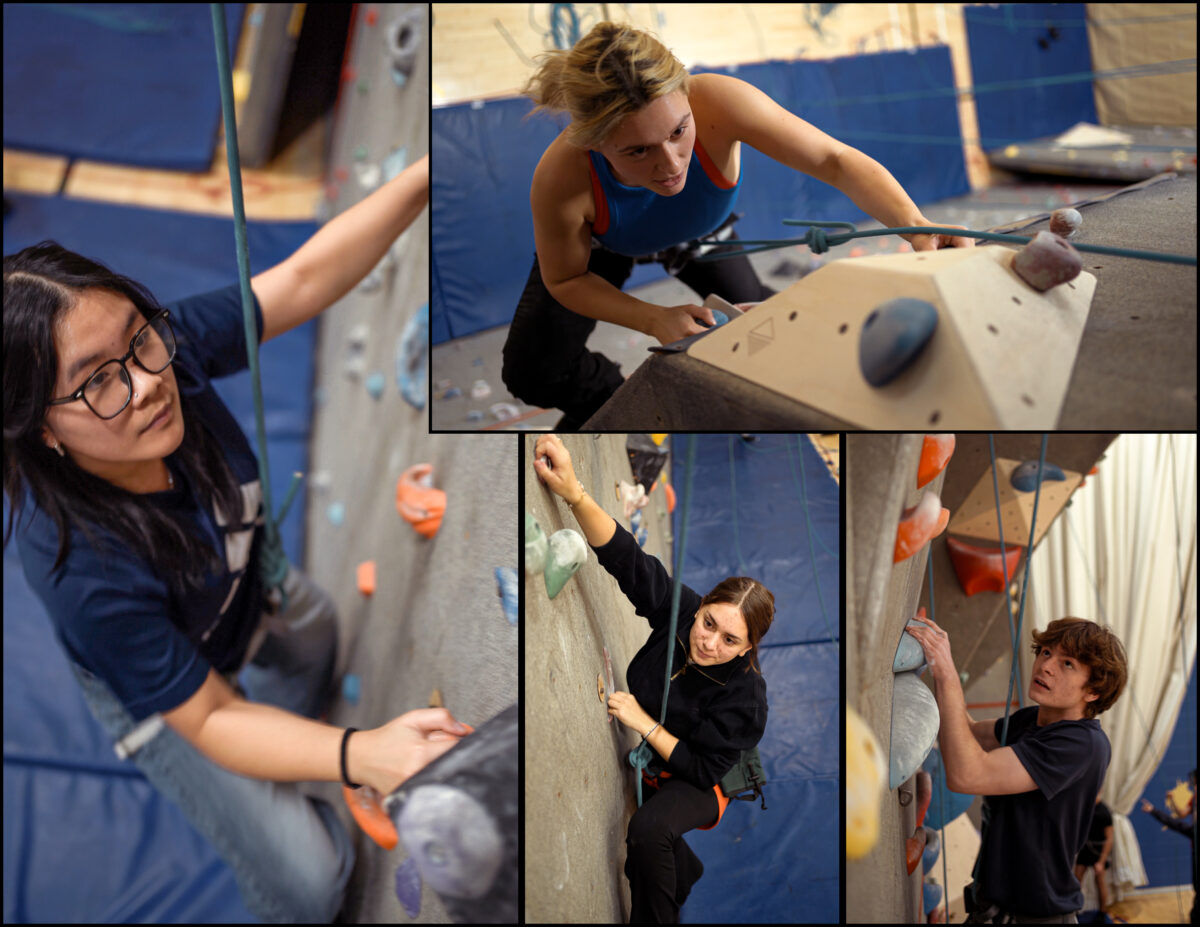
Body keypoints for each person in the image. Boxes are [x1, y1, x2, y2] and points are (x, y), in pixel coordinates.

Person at [2, 157, 469, 922]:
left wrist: (424, 176)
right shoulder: (79, 570)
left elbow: (306, 279)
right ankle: (279, 776)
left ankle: (284, 744)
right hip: (175, 693)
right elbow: (211, 716)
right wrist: (361, 753)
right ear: (42, 429)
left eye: (139, 336)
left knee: (316, 645)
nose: (147, 383)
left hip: (237, 580)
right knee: (312, 885)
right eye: (97, 382)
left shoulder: (162, 356)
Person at [503, 21, 974, 429]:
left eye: (678, 132)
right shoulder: (560, 176)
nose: (670, 167)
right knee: (530, 373)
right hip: (606, 247)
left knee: (763, 334)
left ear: (688, 98)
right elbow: (564, 277)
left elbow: (833, 160)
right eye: (637, 151)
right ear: (594, 146)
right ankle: (615, 401)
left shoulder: (720, 100)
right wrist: (653, 318)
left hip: (701, 232)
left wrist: (912, 223)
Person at [533, 433, 774, 923]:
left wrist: (643, 723)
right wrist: (573, 491)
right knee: (655, 846)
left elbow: (703, 771)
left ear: (748, 648)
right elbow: (629, 561)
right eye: (710, 623)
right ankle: (683, 871)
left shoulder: (747, 701)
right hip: (660, 762)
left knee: (647, 830)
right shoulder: (682, 614)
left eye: (730, 641)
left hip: (704, 783)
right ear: (701, 606)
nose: (709, 643)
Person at [907, 615, 1128, 924]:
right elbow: (966, 733)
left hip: (1035, 917)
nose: (1046, 665)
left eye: (1067, 664)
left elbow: (967, 775)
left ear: (1093, 691)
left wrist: (945, 672)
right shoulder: (1033, 719)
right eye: (1046, 652)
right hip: (992, 907)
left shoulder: (1082, 745)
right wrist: (931, 649)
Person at [1139, 768, 1197, 924]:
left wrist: (1153, 811)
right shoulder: (1194, 798)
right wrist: (1171, 800)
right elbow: (1182, 814)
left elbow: (1176, 824)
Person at [1074, 794, 1114, 913]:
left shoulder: (1104, 812)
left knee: (1100, 882)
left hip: (1099, 851)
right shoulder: (1085, 808)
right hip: (1086, 848)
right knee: (1076, 881)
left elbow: (1109, 839)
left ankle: (1102, 912)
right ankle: (1074, 910)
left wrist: (1101, 862)